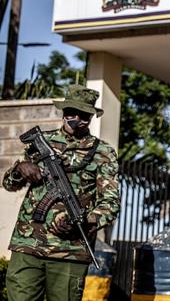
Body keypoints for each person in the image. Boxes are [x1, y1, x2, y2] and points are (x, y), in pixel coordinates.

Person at [2, 85, 120, 301]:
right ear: (63, 112)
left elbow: (110, 204)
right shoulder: (40, 143)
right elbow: (8, 184)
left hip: (71, 252)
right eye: (70, 112)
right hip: (28, 245)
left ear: (90, 117)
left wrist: (84, 220)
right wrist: (20, 169)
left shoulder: (103, 153)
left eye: (82, 114)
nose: (75, 118)